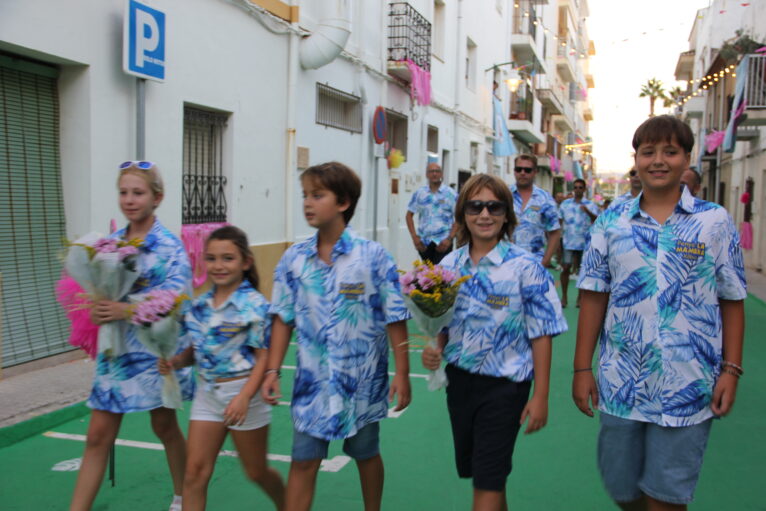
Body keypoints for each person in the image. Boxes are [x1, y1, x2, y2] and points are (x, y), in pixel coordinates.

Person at [572, 115, 747, 510]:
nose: (658, 161)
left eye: (670, 151)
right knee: (623, 489)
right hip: (622, 384)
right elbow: (594, 295)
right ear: (635, 159)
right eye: (648, 152)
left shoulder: (713, 222)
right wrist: (582, 368)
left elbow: (732, 298)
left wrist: (731, 370)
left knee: (666, 499)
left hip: (690, 386)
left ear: (687, 157)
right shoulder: (611, 221)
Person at [262, 161, 412, 511]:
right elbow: (282, 318)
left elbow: (395, 317)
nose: (307, 203)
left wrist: (403, 374)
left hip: (360, 384)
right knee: (302, 462)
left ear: (343, 202)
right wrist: (272, 370)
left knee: (366, 454)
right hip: (312, 386)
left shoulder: (373, 257)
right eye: (305, 195)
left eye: (317, 195)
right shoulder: (293, 260)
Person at [422, 174, 567, 511]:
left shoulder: (526, 268)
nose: (484, 214)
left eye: (494, 206)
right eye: (475, 206)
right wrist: (436, 348)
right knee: (486, 476)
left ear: (506, 215)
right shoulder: (448, 266)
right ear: (462, 214)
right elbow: (441, 322)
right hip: (460, 384)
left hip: (507, 386)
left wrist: (541, 395)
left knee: (486, 483)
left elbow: (542, 333)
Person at [71, 161, 194, 511]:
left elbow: (178, 297)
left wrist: (126, 310)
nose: (129, 199)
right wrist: (97, 310)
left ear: (158, 197)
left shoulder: (170, 247)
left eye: (137, 192)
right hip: (117, 355)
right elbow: (100, 292)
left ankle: (184, 497)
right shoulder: (108, 246)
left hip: (156, 352)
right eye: (123, 192)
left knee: (164, 425)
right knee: (97, 437)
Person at [158, 226, 285, 510]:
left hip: (243, 395)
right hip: (208, 394)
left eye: (228, 258)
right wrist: (176, 361)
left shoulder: (254, 305)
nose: (219, 266)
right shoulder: (199, 305)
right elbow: (199, 349)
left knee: (256, 472)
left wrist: (243, 398)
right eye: (212, 258)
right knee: (194, 474)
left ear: (245, 262)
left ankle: (288, 504)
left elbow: (262, 359)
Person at [509, 154, 561, 267]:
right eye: (518, 169)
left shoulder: (545, 199)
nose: (522, 173)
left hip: (534, 263)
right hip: (506, 262)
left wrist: (545, 261)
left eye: (527, 170)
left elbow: (555, 232)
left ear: (535, 172)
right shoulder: (503, 195)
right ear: (514, 171)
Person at [558, 178, 599, 308]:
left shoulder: (591, 205)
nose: (577, 190)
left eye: (580, 187)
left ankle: (580, 298)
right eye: (575, 187)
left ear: (584, 189)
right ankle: (564, 297)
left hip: (584, 243)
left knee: (582, 271)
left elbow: (598, 221)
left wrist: (587, 211)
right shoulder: (565, 204)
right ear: (573, 189)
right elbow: (559, 222)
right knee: (565, 268)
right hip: (568, 242)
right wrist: (558, 243)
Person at [406, 162, 458, 264]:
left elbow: (460, 218)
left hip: (443, 242)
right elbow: (409, 216)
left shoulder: (450, 194)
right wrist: (414, 237)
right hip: (424, 244)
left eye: (437, 171)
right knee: (426, 276)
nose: (434, 174)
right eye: (431, 171)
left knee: (442, 275)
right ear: (426, 174)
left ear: (442, 174)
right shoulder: (420, 193)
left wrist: (450, 239)